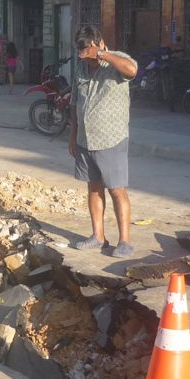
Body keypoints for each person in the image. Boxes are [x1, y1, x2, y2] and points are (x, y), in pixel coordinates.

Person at [68, 24, 138, 258]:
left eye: (89, 55)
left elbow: (132, 71)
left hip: (111, 138)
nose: (87, 61)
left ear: (99, 43)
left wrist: (101, 54)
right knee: (94, 188)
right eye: (83, 57)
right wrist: (72, 135)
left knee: (116, 190)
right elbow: (75, 103)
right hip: (84, 139)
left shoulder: (117, 61)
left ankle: (125, 241)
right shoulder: (80, 67)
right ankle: (98, 236)